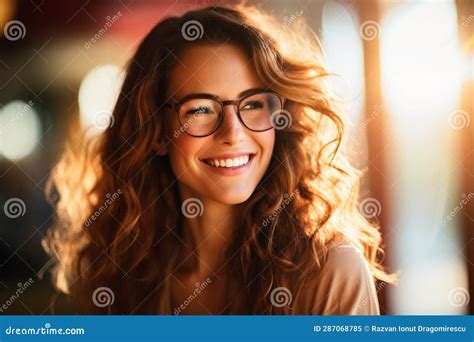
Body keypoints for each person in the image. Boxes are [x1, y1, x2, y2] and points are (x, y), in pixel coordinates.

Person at [44, 4, 395, 315]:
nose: (233, 132)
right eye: (200, 109)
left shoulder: (331, 271)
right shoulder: (119, 272)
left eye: (254, 104)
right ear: (157, 132)